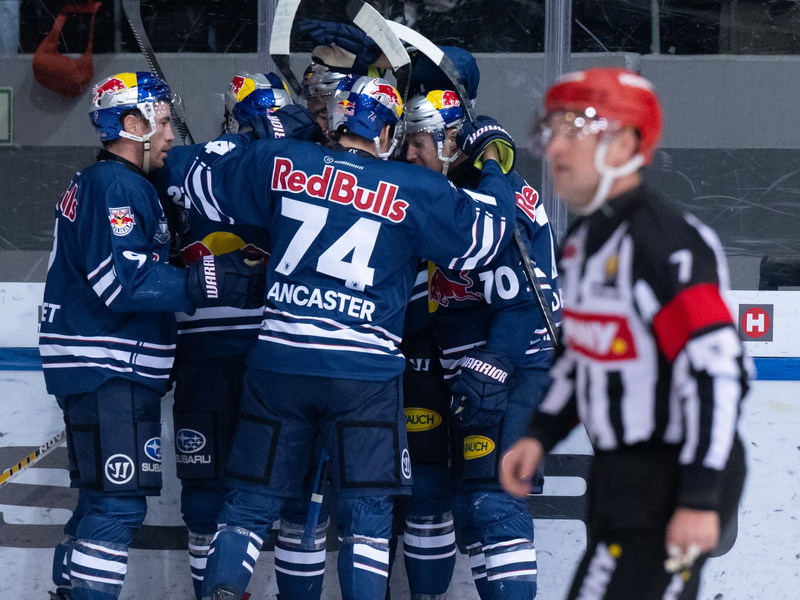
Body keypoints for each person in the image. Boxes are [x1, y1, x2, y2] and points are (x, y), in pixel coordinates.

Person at [182, 74, 518, 600]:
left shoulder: (282, 160)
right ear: (388, 134)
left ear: (336, 117)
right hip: (364, 375)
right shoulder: (414, 188)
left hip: (279, 364)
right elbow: (490, 236)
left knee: (247, 503)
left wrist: (256, 131)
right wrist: (494, 164)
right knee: (366, 515)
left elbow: (199, 183)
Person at [499, 68, 750, 600]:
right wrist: (539, 434)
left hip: (678, 473)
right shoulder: (583, 244)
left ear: (627, 144)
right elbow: (577, 358)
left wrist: (699, 498)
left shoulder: (667, 244)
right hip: (620, 475)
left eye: (575, 131)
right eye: (551, 131)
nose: (555, 149)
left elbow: (719, 372)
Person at [40, 71, 266, 600]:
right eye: (162, 122)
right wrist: (211, 277)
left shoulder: (109, 182)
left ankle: (68, 591)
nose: (169, 134)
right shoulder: (117, 186)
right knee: (117, 505)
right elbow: (121, 281)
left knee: (98, 501)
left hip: (99, 366)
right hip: (108, 365)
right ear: (132, 123)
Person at [151, 70, 322, 600]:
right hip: (256, 358)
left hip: (243, 357)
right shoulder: (289, 163)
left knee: (245, 499)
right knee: (272, 499)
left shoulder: (201, 164)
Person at [404, 86, 560, 600]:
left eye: (420, 142)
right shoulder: (441, 192)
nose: (409, 154)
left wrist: (495, 359)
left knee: (495, 500)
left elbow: (531, 300)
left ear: (452, 140)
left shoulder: (497, 195)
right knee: (454, 502)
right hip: (459, 363)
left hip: (516, 364)